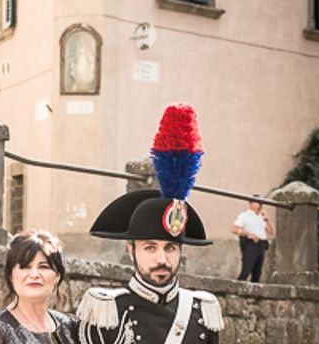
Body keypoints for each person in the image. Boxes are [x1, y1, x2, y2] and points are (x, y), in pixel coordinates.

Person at [76, 103, 224, 344]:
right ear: (130, 249)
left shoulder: (202, 312)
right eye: (150, 247)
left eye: (170, 248)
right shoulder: (106, 311)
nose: (162, 259)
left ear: (180, 250)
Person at [0, 229, 77, 344]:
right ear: (11, 275)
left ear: (57, 276)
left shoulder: (69, 328)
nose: (34, 275)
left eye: (43, 266)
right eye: (25, 267)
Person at [231, 196, 275, 283]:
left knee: (257, 271)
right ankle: (234, 289)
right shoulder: (244, 216)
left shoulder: (261, 217)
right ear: (251, 204)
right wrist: (249, 233)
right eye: (258, 202)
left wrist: (267, 220)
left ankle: (255, 293)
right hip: (250, 243)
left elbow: (271, 232)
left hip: (261, 244)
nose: (260, 205)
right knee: (247, 269)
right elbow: (234, 229)